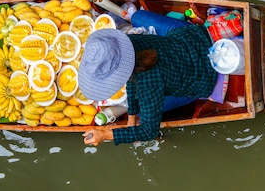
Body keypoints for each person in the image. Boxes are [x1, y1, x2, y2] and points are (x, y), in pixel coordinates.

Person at [78, 14, 218, 146]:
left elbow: (149, 131)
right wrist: (131, 116)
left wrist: (106, 134)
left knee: (142, 114)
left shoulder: (148, 84)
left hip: (204, 76)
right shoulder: (129, 42)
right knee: (138, 16)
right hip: (194, 38)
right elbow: (131, 76)